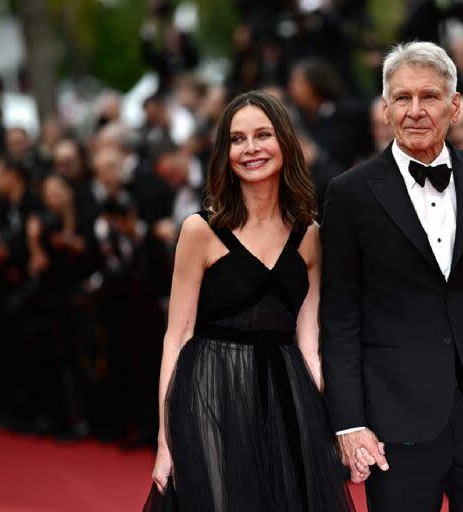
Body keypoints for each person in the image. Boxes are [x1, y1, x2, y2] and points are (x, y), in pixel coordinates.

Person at [320, 41, 463, 512]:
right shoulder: (349, 194)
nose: (415, 111)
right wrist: (349, 423)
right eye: (402, 98)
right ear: (385, 109)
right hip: (396, 421)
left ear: (454, 105)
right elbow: (340, 318)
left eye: (430, 96)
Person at [145, 90, 353, 511]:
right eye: (237, 139)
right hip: (209, 395)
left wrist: (325, 424)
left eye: (263, 135)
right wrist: (165, 439)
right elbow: (177, 335)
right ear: (225, 152)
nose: (251, 148)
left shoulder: (309, 234)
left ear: (285, 144)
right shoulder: (200, 230)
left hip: (286, 399)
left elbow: (309, 339)